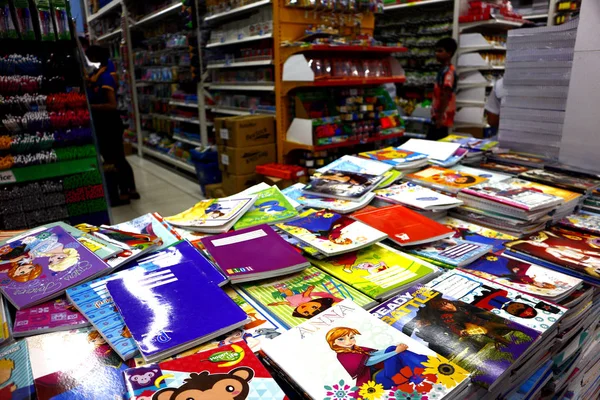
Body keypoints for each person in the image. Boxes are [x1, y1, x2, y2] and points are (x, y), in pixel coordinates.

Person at [85, 46, 138, 204]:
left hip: (109, 123)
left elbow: (112, 104)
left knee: (115, 157)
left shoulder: (106, 77)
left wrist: (91, 107)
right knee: (117, 156)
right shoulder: (97, 74)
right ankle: (130, 189)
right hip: (104, 123)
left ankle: (123, 193)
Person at [429, 38, 458, 141]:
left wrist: (440, 116)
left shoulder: (448, 71)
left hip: (442, 117)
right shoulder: (443, 69)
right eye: (436, 51)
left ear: (449, 53)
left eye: (440, 51)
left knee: (435, 143)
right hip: (439, 115)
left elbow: (446, 94)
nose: (437, 54)